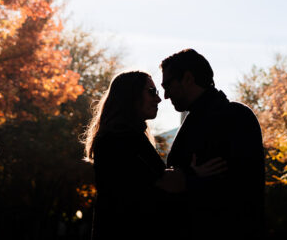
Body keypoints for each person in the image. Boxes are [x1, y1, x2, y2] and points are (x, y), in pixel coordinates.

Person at [83, 70, 225, 239]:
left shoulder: (123, 137)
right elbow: (151, 190)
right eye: (152, 92)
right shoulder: (120, 140)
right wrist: (192, 175)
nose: (158, 99)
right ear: (131, 95)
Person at [162, 49, 265, 240]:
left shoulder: (233, 118)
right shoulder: (214, 118)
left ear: (188, 78)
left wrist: (186, 179)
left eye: (168, 84)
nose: (165, 95)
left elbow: (234, 188)